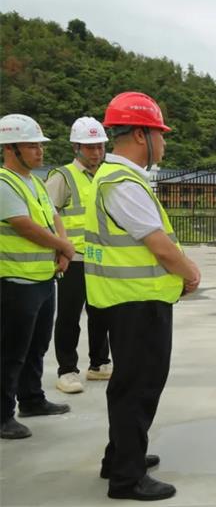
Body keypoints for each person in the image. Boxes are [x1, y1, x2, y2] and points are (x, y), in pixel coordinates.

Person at [85, 92, 201, 501]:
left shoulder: (115, 177)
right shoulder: (123, 182)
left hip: (129, 299)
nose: (164, 143)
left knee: (130, 384)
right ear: (140, 134)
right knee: (138, 387)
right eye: (160, 134)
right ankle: (127, 477)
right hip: (137, 302)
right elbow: (160, 246)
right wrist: (190, 272)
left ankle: (120, 457)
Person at [0, 113, 73, 440]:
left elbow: (53, 217)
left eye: (40, 145)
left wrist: (63, 248)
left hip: (43, 279)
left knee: (36, 346)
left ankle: (31, 399)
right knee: (10, 351)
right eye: (31, 146)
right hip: (15, 282)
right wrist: (63, 247)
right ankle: (3, 415)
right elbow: (25, 226)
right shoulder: (4, 183)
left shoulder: (34, 182)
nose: (39, 151)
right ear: (10, 149)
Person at [47, 117, 112, 394]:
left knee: (101, 313)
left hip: (100, 258)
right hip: (72, 259)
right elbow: (46, 215)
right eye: (90, 147)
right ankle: (67, 371)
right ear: (76, 147)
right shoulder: (62, 177)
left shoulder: (107, 175)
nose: (96, 152)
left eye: (100, 146)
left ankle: (99, 364)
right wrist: (58, 249)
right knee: (69, 316)